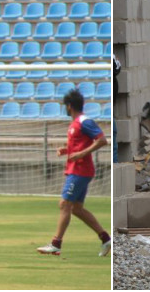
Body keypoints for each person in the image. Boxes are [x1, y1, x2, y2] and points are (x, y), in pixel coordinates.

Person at [37, 89, 111, 257]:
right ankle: (105, 238)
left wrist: (82, 153)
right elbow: (80, 145)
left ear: (69, 106)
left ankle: (56, 244)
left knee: (64, 204)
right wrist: (67, 150)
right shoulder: (76, 123)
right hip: (77, 170)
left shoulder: (84, 121)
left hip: (80, 171)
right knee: (77, 209)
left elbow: (102, 140)